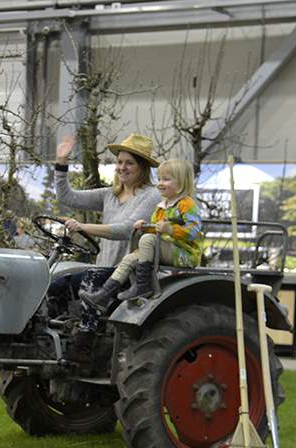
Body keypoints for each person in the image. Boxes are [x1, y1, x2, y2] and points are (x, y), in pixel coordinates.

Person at [51, 133, 161, 364]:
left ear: (142, 167)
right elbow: (67, 197)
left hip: (127, 271)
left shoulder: (151, 196)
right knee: (56, 284)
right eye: (119, 162)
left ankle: (85, 341)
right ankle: (56, 336)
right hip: (104, 267)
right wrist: (62, 162)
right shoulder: (110, 195)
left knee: (91, 276)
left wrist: (83, 227)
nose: (122, 167)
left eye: (129, 163)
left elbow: (126, 229)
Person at [82, 159, 202, 309]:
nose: (160, 183)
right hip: (163, 248)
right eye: (159, 179)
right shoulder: (161, 207)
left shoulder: (187, 204)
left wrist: (170, 230)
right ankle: (103, 295)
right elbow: (155, 230)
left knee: (147, 239)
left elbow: (194, 231)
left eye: (166, 179)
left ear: (181, 182)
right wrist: (144, 227)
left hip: (184, 253)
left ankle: (143, 285)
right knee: (129, 259)